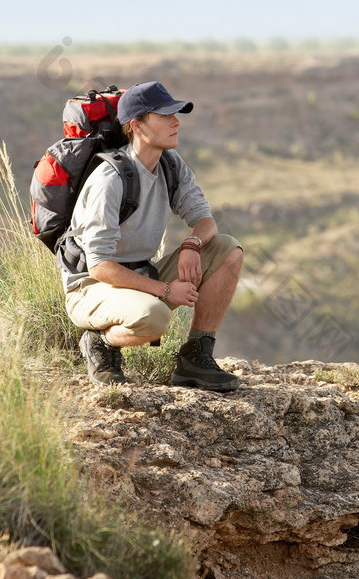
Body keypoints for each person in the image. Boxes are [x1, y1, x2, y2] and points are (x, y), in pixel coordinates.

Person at [60, 80, 243, 391]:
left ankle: (195, 356)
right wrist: (165, 289)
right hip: (91, 288)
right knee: (155, 316)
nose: (176, 122)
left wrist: (191, 244)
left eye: (176, 115)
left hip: (139, 275)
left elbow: (205, 221)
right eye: (164, 116)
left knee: (227, 249)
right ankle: (100, 341)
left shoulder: (170, 164)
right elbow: (100, 266)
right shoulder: (110, 180)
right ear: (138, 126)